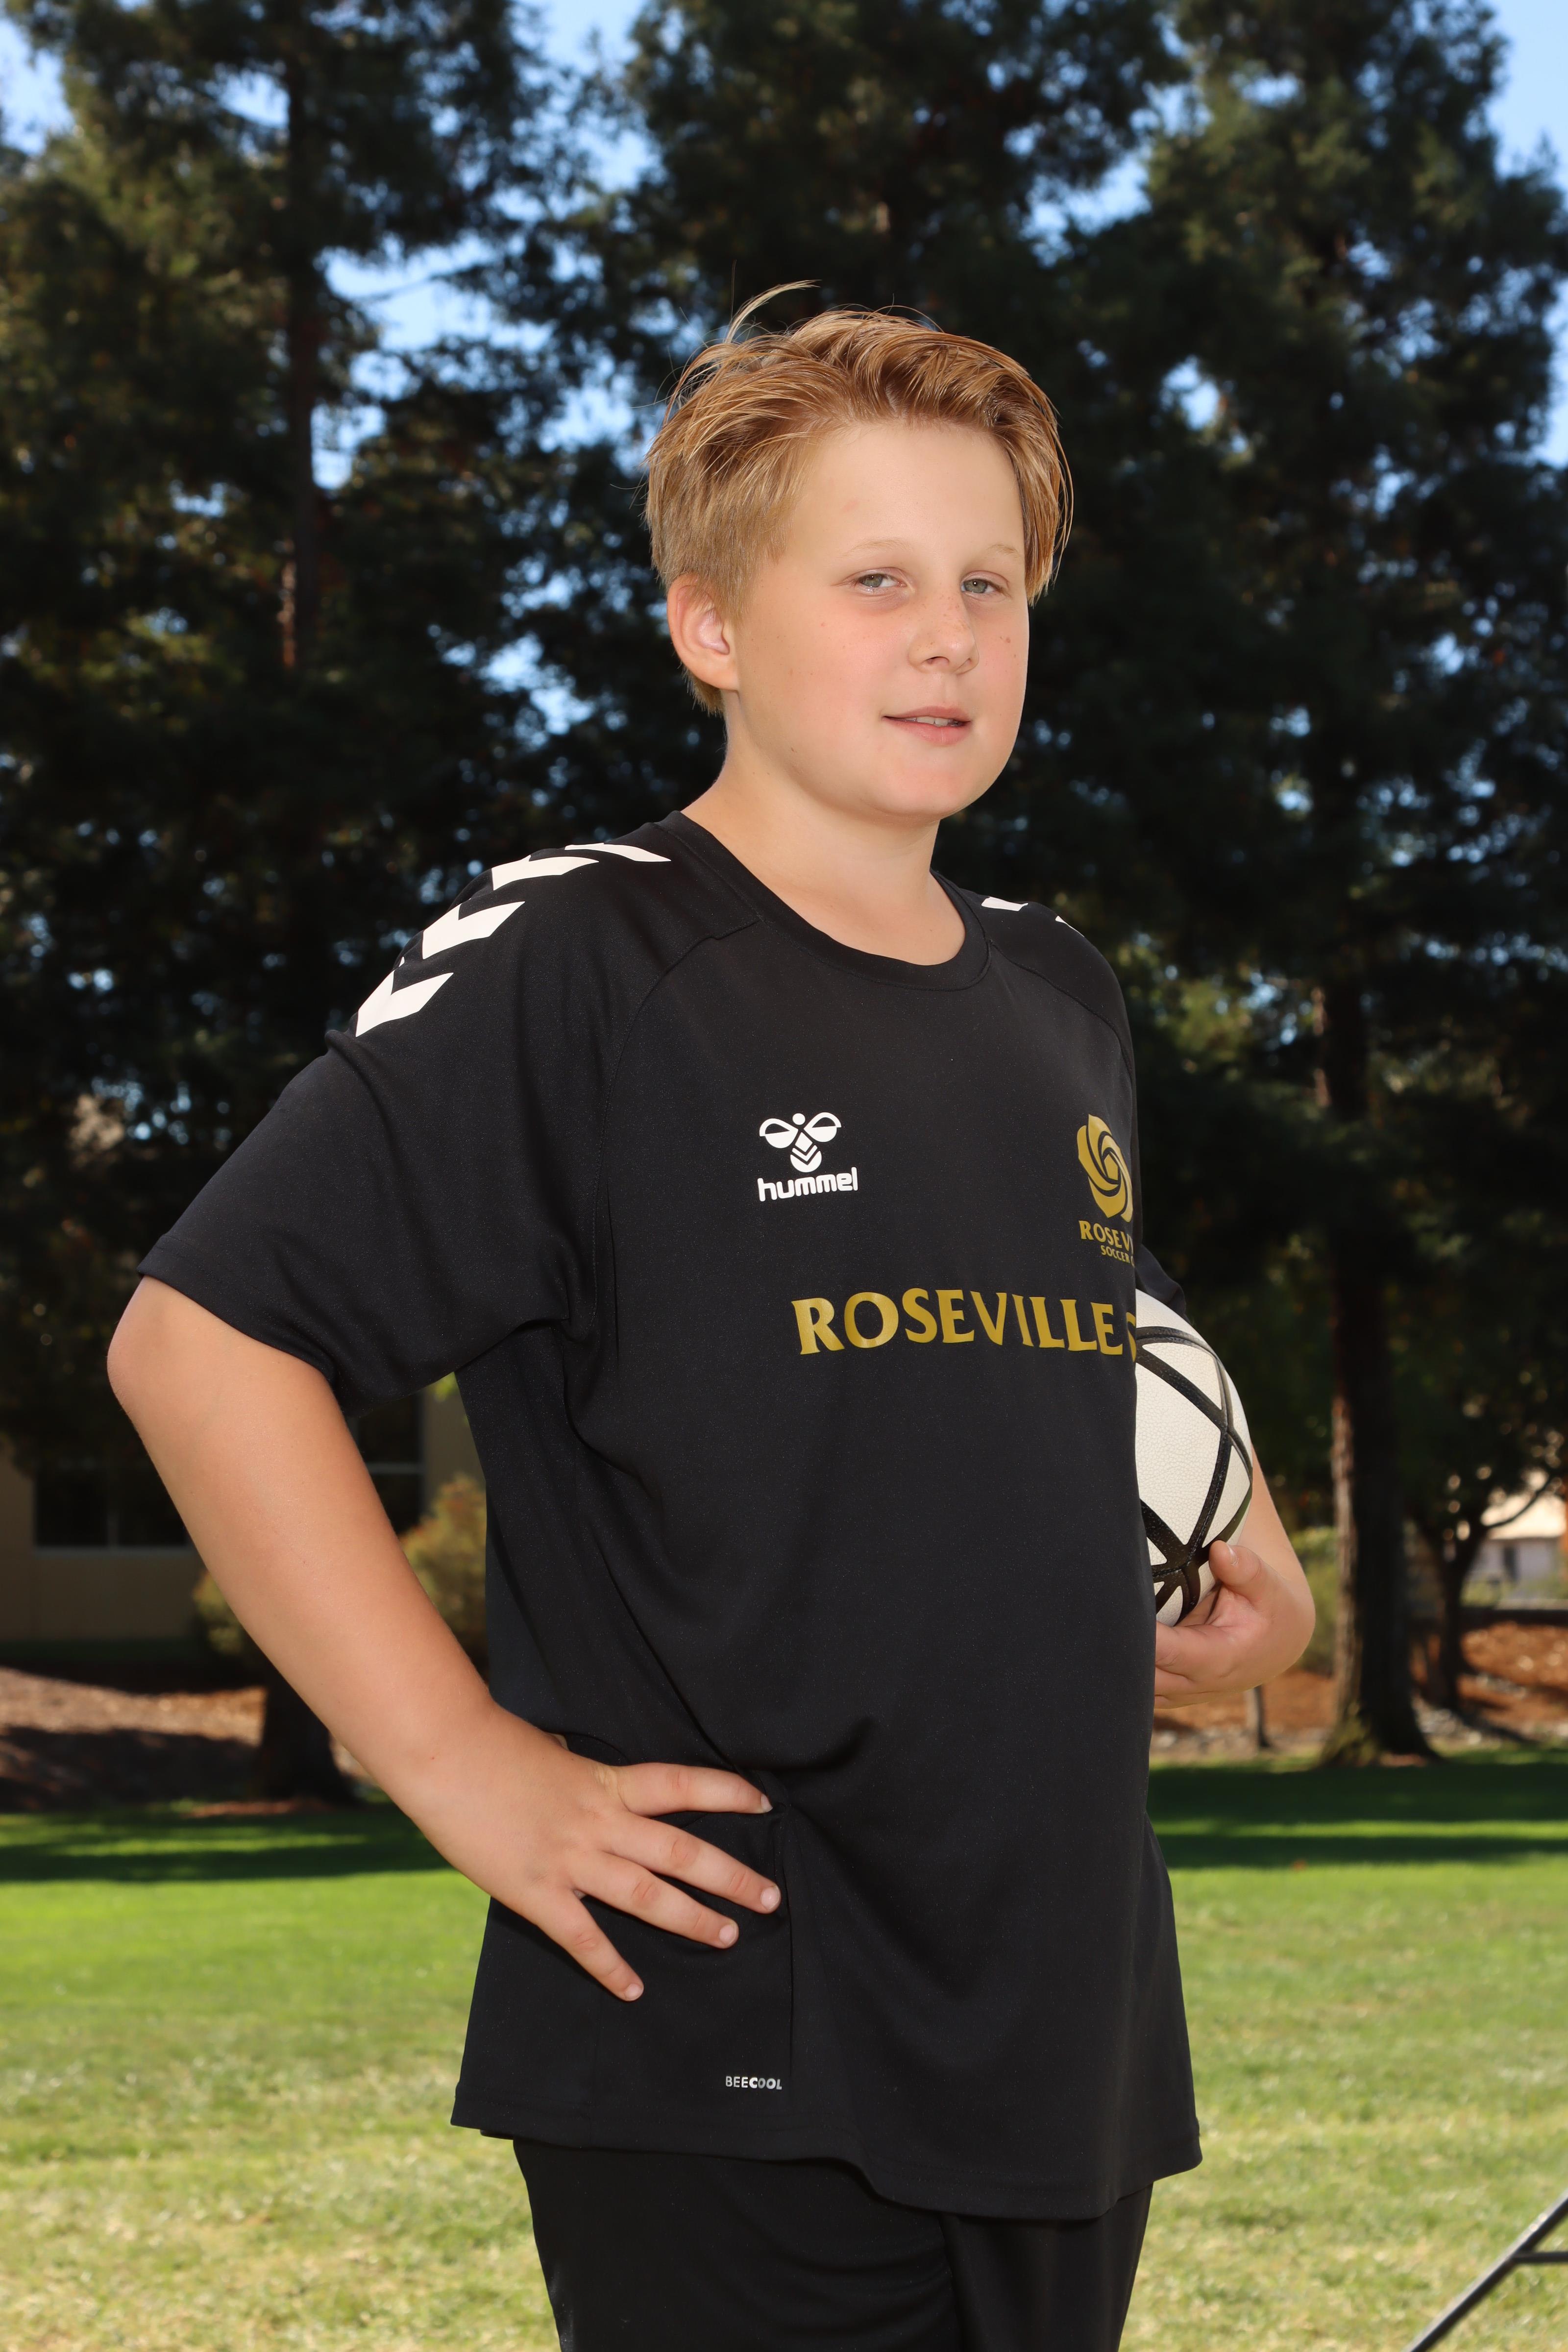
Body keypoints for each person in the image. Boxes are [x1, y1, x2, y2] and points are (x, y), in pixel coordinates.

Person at [109, 298, 1315, 2352]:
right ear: (712, 628)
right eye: (874, 581)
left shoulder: (1059, 993)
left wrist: (1246, 1559)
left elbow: (1096, 1323)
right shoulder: (582, 954)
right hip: (731, 2016)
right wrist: (455, 1761)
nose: (945, 638)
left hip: (1062, 2025)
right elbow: (204, 1338)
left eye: (988, 585)